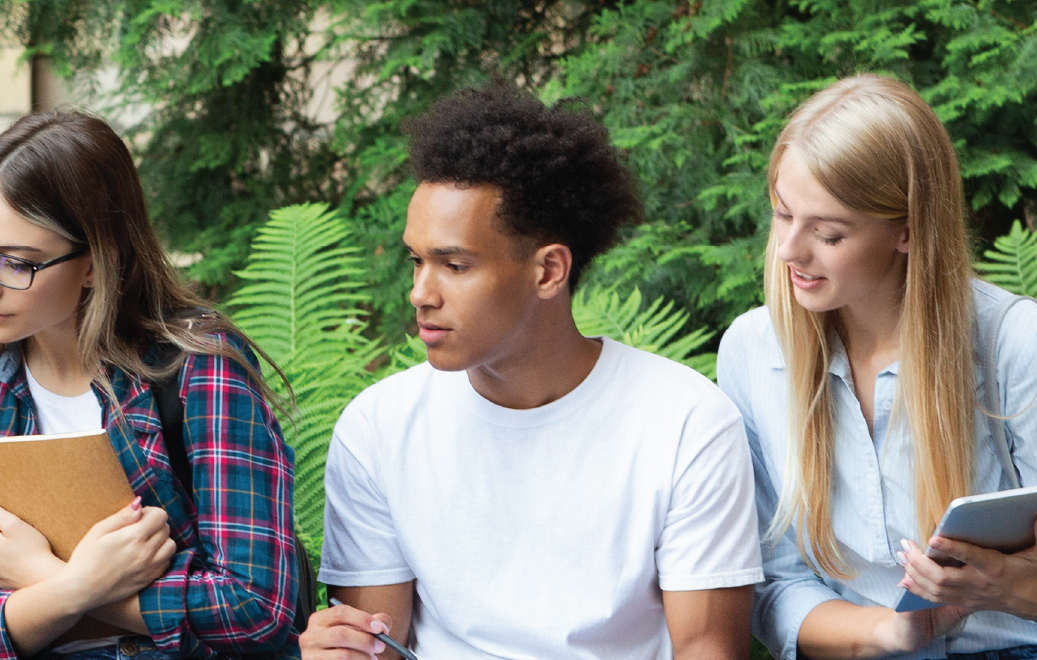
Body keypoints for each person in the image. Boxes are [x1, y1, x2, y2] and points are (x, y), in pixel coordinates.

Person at [298, 85, 762, 660]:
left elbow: (708, 650)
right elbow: (382, 645)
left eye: (455, 265)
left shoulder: (686, 421)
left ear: (548, 271)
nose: (421, 293)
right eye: (417, 261)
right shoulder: (378, 426)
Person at [713, 73, 1037, 660]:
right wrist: (893, 632)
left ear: (909, 231)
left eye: (828, 233)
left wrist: (1025, 593)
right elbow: (776, 582)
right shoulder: (754, 351)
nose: (790, 249)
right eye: (782, 214)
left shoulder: (1017, 342)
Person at [0, 111, 305, 659]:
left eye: (16, 264)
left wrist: (43, 579)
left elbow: (258, 607)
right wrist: (79, 586)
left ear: (94, 262)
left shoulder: (197, 369)